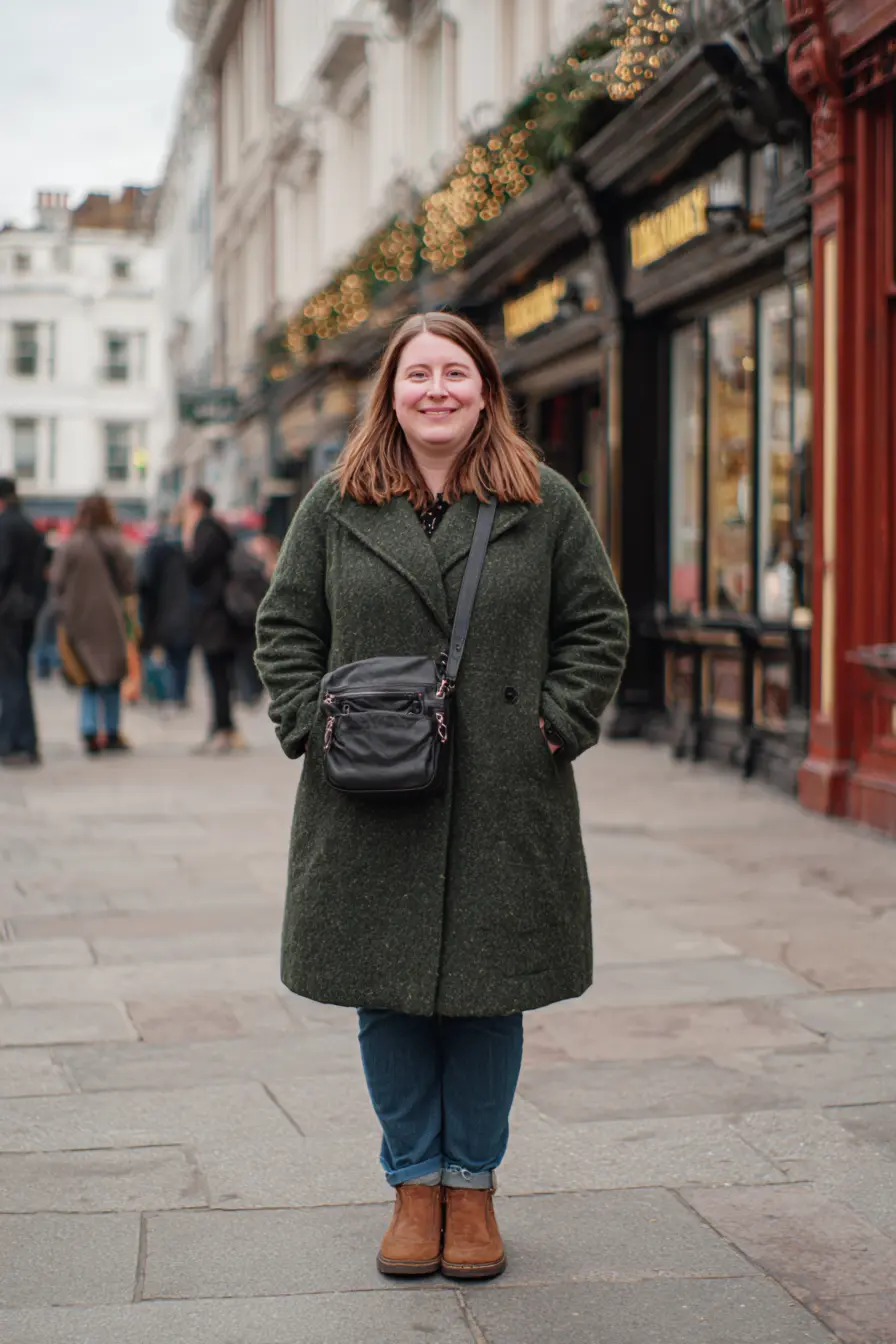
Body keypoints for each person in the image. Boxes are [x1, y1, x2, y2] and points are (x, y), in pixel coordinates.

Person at [255, 312, 629, 1280]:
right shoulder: (334, 504)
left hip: (504, 790)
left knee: (484, 999)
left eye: (453, 374)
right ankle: (411, 1186)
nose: (435, 391)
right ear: (390, 391)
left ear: (484, 390)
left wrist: (556, 721)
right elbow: (285, 624)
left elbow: (597, 622)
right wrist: (309, 721)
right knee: (385, 1000)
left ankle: (471, 1189)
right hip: (367, 790)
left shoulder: (540, 499)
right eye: (416, 375)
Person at [50, 494, 136, 755]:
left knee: (87, 676)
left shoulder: (70, 545)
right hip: (110, 618)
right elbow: (128, 581)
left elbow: (56, 580)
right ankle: (111, 731)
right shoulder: (114, 543)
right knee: (111, 676)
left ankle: (88, 729)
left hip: (78, 619)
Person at [181, 487, 245, 752]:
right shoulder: (219, 528)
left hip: (214, 614)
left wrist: (186, 541)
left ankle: (222, 727)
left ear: (195, 504)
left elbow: (196, 570)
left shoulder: (204, 529)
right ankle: (223, 726)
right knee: (222, 673)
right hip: (224, 613)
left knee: (217, 672)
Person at [0, 477, 45, 767]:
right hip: (28, 610)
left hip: (8, 612)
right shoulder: (30, 526)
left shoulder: (5, 526)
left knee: (11, 678)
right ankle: (24, 740)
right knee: (18, 676)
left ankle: (14, 741)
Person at [138, 520, 193, 707]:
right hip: (184, 617)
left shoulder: (156, 561)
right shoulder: (185, 559)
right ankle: (178, 695)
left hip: (165, 618)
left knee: (168, 658)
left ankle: (168, 695)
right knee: (181, 659)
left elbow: (147, 590)